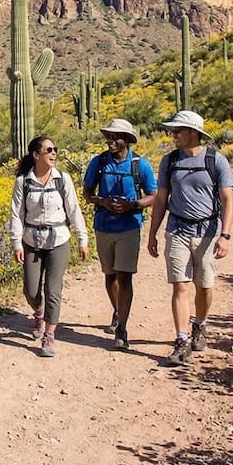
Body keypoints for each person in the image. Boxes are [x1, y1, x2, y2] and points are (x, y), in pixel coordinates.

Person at [146, 110, 233, 367]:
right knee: (180, 286)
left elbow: (228, 199)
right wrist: (152, 233)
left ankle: (200, 324)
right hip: (177, 230)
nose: (173, 134)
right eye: (173, 130)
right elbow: (162, 198)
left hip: (207, 232)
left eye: (178, 130)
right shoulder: (169, 161)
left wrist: (225, 235)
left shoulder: (215, 160)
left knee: (204, 285)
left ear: (193, 133)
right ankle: (181, 339)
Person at [9, 135, 89, 358]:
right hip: (31, 239)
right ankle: (39, 311)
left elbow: (73, 210)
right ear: (36, 155)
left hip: (58, 239)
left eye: (55, 149)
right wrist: (17, 243)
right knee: (31, 290)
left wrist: (83, 239)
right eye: (49, 150)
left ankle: (49, 335)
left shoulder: (62, 179)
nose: (54, 153)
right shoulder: (22, 182)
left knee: (53, 289)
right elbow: (16, 215)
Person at [82, 118, 157, 350]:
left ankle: (122, 328)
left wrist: (133, 205)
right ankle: (117, 310)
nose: (111, 141)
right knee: (110, 275)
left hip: (129, 226)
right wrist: (102, 201)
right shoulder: (99, 162)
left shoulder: (139, 165)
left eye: (116, 137)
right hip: (104, 225)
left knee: (125, 277)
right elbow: (87, 193)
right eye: (109, 137)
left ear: (127, 140)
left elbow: (153, 195)